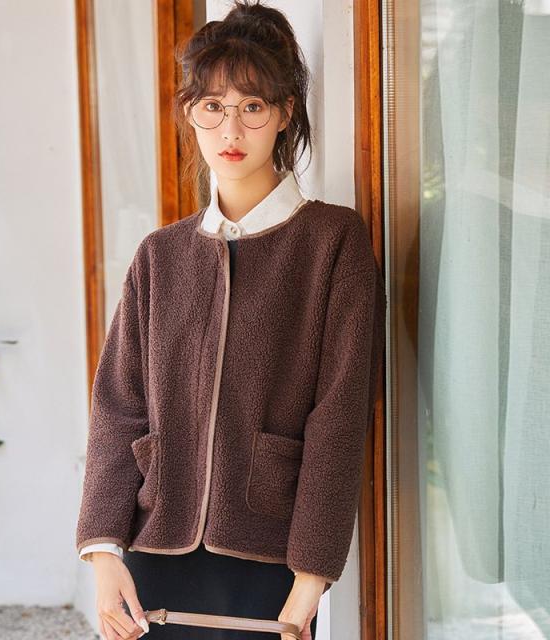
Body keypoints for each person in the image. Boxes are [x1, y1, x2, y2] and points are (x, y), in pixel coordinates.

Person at [75, 1, 387, 639]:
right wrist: (103, 552)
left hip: (269, 557)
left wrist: (310, 581)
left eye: (253, 106)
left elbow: (338, 417)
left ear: (286, 113)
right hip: (154, 552)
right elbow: (119, 407)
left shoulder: (332, 242)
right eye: (213, 106)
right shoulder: (160, 254)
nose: (231, 128)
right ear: (191, 113)